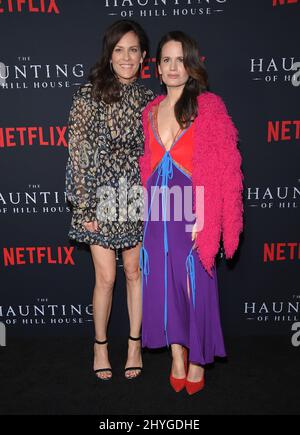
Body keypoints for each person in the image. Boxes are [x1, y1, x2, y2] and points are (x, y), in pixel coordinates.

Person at [139, 31, 243, 394]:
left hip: (192, 211)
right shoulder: (150, 110)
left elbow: (225, 167)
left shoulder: (209, 106)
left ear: (192, 64)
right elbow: (146, 166)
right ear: (157, 66)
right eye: (165, 60)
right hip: (156, 213)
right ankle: (177, 355)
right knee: (163, 287)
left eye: (180, 59)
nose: (172, 67)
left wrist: (207, 215)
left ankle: (198, 359)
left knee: (193, 285)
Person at [65, 20, 154, 380]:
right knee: (106, 278)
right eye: (119, 50)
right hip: (99, 193)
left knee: (134, 273)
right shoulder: (88, 95)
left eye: (134, 50)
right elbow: (79, 152)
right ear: (109, 54)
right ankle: (99, 346)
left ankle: (135, 343)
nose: (127, 57)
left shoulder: (150, 99)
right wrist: (84, 206)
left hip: (135, 191)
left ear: (144, 56)